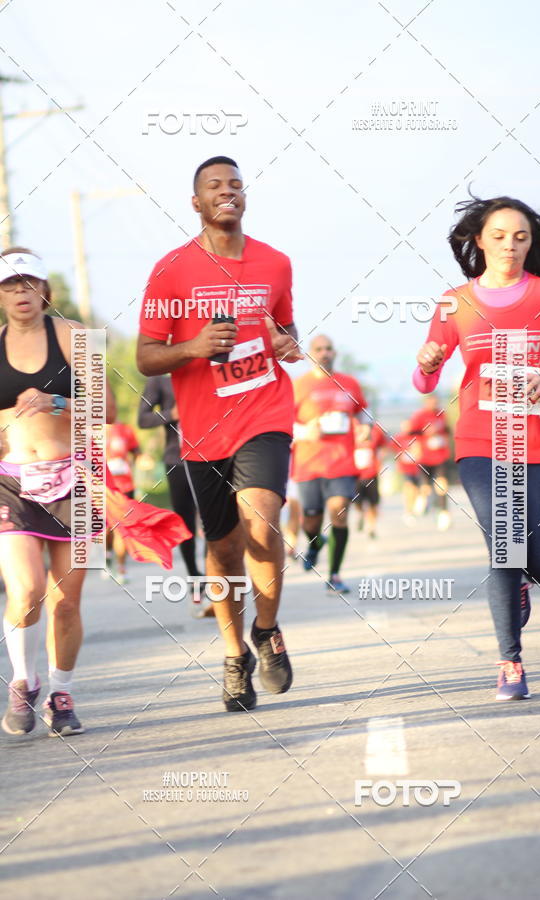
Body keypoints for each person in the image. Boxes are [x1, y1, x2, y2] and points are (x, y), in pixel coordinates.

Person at [414, 196, 540, 701]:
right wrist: (429, 362)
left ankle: (524, 581)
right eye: (498, 236)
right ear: (479, 240)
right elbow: (423, 382)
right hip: (480, 441)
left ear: (531, 242)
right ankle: (510, 664)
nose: (510, 246)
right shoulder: (454, 303)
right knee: (505, 541)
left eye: (520, 237)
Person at [137, 156, 303, 712]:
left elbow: (285, 323)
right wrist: (194, 347)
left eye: (235, 183)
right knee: (225, 548)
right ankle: (235, 658)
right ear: (196, 202)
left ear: (244, 197)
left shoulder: (275, 262)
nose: (227, 191)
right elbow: (146, 357)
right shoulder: (170, 271)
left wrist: (286, 341)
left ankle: (267, 629)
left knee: (262, 515)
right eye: (214, 185)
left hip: (266, 410)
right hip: (204, 428)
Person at [0, 247, 116, 736]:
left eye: (28, 284)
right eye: (9, 285)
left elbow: (107, 408)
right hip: (12, 482)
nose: (20, 294)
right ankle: (23, 682)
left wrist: (58, 399)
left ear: (45, 291)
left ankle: (61, 693)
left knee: (65, 603)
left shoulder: (76, 338)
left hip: (77, 481)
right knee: (25, 589)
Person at [292, 334, 371, 593]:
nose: (324, 353)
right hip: (308, 464)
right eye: (319, 349)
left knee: (339, 510)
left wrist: (365, 429)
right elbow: (283, 423)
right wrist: (305, 432)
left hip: (342, 462)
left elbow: (362, 412)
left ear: (334, 352)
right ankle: (315, 544)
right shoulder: (298, 386)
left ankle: (335, 575)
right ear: (310, 354)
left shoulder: (350, 383)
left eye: (328, 348)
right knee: (311, 520)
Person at [138, 374, 211, 615]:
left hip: (212, 454)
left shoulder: (204, 368)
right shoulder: (159, 380)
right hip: (177, 460)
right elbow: (143, 419)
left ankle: (214, 578)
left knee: (214, 519)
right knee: (186, 523)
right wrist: (171, 414)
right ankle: (195, 578)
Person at [407, 395, 452, 530]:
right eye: (431, 401)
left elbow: (447, 432)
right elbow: (412, 433)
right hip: (424, 458)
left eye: (436, 401)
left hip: (440, 457)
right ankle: (421, 500)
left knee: (442, 486)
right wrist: (417, 447)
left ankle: (444, 514)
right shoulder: (419, 416)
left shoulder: (442, 414)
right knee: (425, 488)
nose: (434, 404)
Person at [105, 420, 140, 583]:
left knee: (122, 527)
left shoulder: (125, 430)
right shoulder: (89, 429)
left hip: (125, 486)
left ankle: (121, 568)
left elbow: (137, 453)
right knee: (106, 529)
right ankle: (107, 557)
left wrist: (138, 462)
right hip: (102, 488)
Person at [353, 421, 387, 538]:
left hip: (371, 474)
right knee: (357, 502)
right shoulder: (351, 431)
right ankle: (360, 514)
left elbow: (383, 447)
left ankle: (371, 527)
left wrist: (380, 463)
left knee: (373, 503)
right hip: (355, 475)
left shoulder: (376, 432)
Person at [391, 421, 422, 522]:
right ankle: (408, 511)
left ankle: (416, 505)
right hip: (405, 468)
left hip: (417, 467)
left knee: (417, 489)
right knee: (409, 487)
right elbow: (392, 449)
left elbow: (421, 449)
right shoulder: (398, 438)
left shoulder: (417, 437)